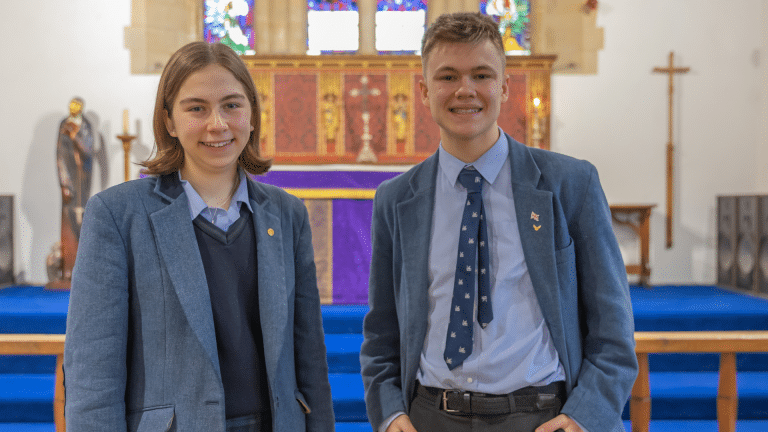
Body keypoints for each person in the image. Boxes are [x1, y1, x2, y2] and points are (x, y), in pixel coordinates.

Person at [360, 12, 637, 432]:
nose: (465, 90)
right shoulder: (396, 199)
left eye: (481, 75)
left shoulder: (569, 184)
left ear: (505, 86)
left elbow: (613, 325)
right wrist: (390, 413)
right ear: (424, 91)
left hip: (541, 416)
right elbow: (381, 330)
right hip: (431, 417)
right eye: (448, 76)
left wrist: (585, 416)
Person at [64, 42, 335, 432]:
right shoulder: (118, 215)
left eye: (231, 105)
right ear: (169, 122)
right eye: (196, 108)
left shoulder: (287, 214)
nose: (217, 124)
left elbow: (309, 357)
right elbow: (92, 373)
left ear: (252, 115)